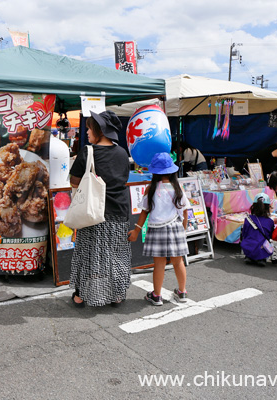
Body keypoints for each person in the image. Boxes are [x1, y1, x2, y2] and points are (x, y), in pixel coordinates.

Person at [69, 110, 131, 307]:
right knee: (116, 255)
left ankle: (81, 295)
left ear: (100, 130)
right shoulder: (122, 153)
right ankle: (117, 295)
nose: (87, 132)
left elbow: (74, 181)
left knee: (89, 254)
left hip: (93, 212)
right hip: (119, 211)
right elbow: (123, 179)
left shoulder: (88, 152)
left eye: (89, 128)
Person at [128, 152, 189, 305]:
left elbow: (144, 212)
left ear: (154, 172)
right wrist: (184, 227)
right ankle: (182, 292)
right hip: (175, 227)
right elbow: (185, 210)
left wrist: (136, 230)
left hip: (157, 229)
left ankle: (157, 295)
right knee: (178, 261)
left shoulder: (151, 189)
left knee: (159, 264)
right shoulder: (178, 188)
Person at [240, 193, 275, 267]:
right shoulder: (270, 221)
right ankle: (261, 258)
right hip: (262, 248)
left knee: (249, 239)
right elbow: (271, 235)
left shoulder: (248, 219)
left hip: (248, 246)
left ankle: (249, 256)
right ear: (268, 207)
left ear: (253, 206)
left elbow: (244, 234)